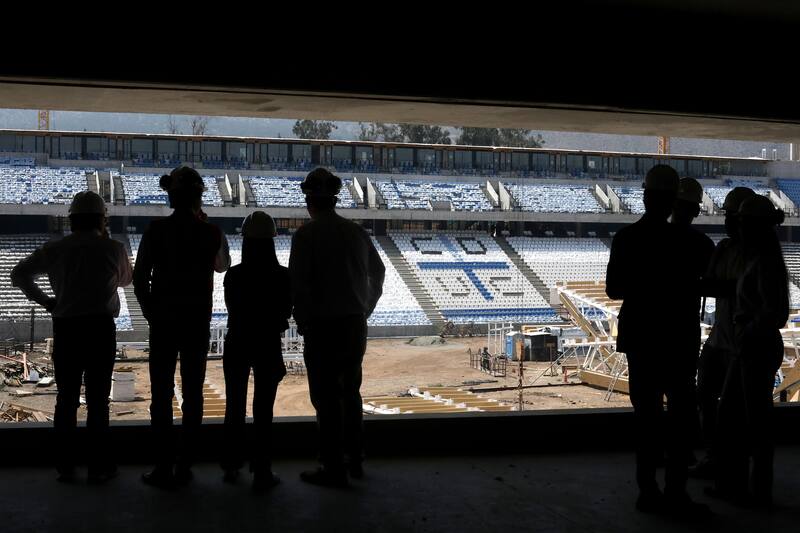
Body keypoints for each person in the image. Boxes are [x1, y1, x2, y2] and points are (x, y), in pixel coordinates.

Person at [606, 165, 708, 518]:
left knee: (647, 420)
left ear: (645, 195)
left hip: (642, 339)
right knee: (680, 421)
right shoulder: (692, 243)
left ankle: (647, 491)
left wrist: (644, 283)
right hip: (679, 340)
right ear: (674, 200)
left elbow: (613, 289)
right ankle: (676, 492)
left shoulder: (626, 239)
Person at [11, 191, 132, 483]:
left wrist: (46, 301)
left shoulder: (55, 249)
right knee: (98, 401)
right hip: (100, 330)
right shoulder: (113, 248)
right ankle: (98, 466)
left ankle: (65, 466)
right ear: (102, 219)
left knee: (66, 400)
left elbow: (19, 275)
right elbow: (127, 279)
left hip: (66, 329)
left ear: (71, 219)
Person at [133, 166, 230, 488]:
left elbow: (139, 278)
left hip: (162, 321)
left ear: (170, 196)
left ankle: (162, 465)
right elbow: (223, 265)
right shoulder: (211, 232)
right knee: (193, 393)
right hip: (196, 322)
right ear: (199, 197)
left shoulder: (155, 230)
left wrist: (150, 312)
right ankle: (185, 463)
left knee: (160, 395)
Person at [289, 168, 385, 487]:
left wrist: (303, 321)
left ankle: (332, 466)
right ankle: (355, 458)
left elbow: (298, 286)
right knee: (351, 393)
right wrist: (364, 308)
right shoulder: (357, 233)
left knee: (326, 398)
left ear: (309, 202)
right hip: (353, 324)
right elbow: (378, 273)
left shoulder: (305, 236)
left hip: (322, 326)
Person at [712, 194, 788, 508]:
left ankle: (753, 491)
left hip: (755, 347)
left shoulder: (765, 263)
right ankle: (745, 487)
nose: (737, 226)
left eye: (742, 221)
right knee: (739, 419)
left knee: (748, 422)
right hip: (752, 346)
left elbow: (776, 313)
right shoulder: (760, 257)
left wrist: (747, 327)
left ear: (754, 226)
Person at [221, 211, 290, 490]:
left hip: (237, 341)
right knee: (264, 409)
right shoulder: (283, 276)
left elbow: (232, 310)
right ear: (273, 240)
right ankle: (262, 469)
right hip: (268, 344)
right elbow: (286, 311)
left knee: (234, 406)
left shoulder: (234, 275)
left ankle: (231, 464)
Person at [693, 187, 756, 479]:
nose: (728, 221)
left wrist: (717, 286)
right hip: (720, 340)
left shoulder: (758, 256)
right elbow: (712, 284)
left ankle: (733, 463)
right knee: (704, 395)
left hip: (742, 345)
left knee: (737, 410)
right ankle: (716, 456)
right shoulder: (725, 249)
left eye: (732, 216)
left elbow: (726, 288)